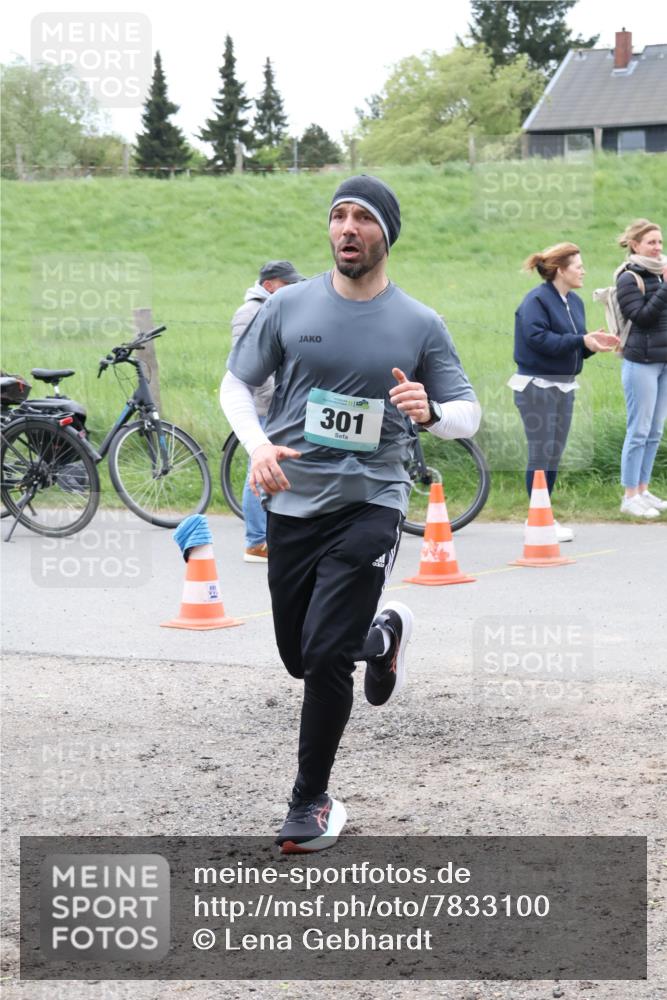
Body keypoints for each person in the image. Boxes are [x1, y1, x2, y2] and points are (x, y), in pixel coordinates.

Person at [220, 175, 480, 852]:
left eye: (362, 217)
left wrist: (434, 413)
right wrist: (256, 446)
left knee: (325, 653)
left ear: (384, 234)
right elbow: (235, 383)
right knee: (300, 655)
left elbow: (466, 411)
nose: (346, 227)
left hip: (372, 498)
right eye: (338, 215)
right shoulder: (289, 306)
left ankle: (309, 802)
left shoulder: (418, 323)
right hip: (292, 501)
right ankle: (384, 635)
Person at [509, 243, 619, 540]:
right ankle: (537, 518)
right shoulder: (536, 301)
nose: (583, 270)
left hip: (564, 385)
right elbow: (539, 340)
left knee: (554, 453)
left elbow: (572, 347)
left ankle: (544, 516)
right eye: (578, 265)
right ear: (560, 270)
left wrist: (592, 345)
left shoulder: (576, 302)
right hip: (537, 387)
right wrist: (581, 340)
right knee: (541, 452)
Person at [230, 260, 304, 561]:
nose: (293, 290)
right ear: (271, 284)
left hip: (275, 402)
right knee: (258, 467)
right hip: (264, 404)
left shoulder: (270, 307)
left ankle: (268, 533)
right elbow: (247, 366)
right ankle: (256, 540)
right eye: (289, 285)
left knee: (268, 466)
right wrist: (270, 397)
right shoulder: (249, 312)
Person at [615, 219, 667, 519]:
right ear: (635, 245)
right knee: (638, 430)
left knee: (655, 430)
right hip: (641, 362)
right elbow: (642, 317)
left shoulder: (660, 275)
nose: (658, 247)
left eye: (660, 242)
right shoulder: (628, 278)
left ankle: (644, 490)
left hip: (664, 362)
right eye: (651, 242)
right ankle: (629, 495)